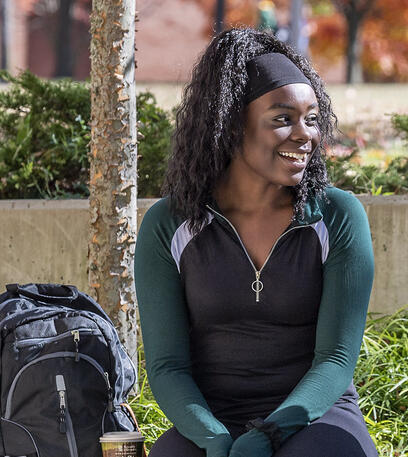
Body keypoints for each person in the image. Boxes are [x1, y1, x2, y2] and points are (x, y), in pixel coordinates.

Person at [134, 28, 378, 457]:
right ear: (232, 125)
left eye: (312, 119)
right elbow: (167, 366)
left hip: (315, 418)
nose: (305, 135)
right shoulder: (170, 224)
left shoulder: (337, 215)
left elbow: (336, 359)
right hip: (213, 419)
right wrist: (214, 440)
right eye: (283, 119)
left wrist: (267, 436)